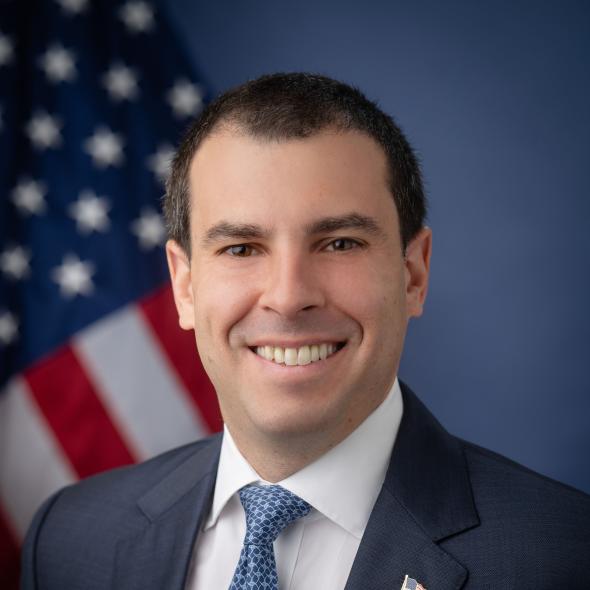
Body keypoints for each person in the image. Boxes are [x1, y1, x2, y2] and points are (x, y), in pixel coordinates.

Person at [22, 73, 590, 590]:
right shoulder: (69, 541)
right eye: (241, 248)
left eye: (340, 243)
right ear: (185, 286)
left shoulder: (563, 558)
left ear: (413, 274)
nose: (289, 297)